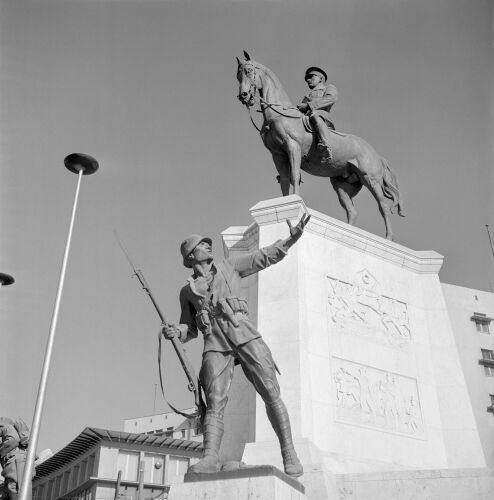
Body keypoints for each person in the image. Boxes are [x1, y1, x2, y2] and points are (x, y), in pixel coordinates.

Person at [161, 215, 311, 477]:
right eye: (201, 246)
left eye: (208, 244)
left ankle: (289, 452)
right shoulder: (187, 291)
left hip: (242, 331)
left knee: (270, 390)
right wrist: (178, 331)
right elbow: (190, 328)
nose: (208, 246)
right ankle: (209, 458)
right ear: (191, 257)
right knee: (215, 401)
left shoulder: (229, 265)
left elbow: (262, 257)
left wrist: (289, 240)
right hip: (215, 342)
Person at [297, 67, 338, 158]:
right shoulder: (307, 96)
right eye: (307, 78)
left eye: (311, 77)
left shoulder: (328, 87)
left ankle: (325, 144)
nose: (308, 80)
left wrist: (308, 106)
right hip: (307, 118)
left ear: (320, 78)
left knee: (314, 115)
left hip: (322, 115)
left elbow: (331, 99)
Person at [0, 419, 31, 500]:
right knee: (14, 489)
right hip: (16, 463)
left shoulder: (5, 426)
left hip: (15, 463)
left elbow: (13, 440)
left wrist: (1, 451)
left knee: (15, 489)